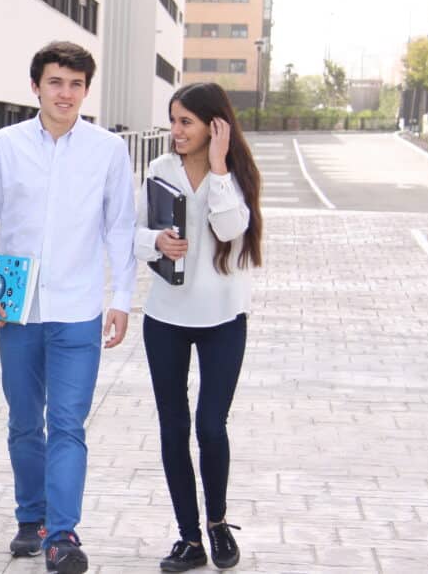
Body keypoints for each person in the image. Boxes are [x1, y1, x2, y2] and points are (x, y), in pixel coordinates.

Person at [0, 41, 137, 574]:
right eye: (56, 82)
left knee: (67, 423)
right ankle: (30, 518)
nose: (66, 93)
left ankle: (62, 534)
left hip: (79, 308)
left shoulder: (107, 149)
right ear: (36, 85)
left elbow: (120, 227)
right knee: (22, 420)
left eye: (76, 84)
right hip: (16, 308)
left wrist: (122, 299)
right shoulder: (4, 144)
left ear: (86, 90)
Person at [134, 82, 262, 572]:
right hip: (165, 318)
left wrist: (221, 168)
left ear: (215, 125)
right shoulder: (158, 170)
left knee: (211, 426)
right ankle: (188, 538)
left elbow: (232, 230)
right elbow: (132, 233)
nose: (175, 131)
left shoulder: (236, 174)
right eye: (173, 121)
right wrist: (156, 242)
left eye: (186, 121)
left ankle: (218, 523)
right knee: (174, 428)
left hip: (223, 318)